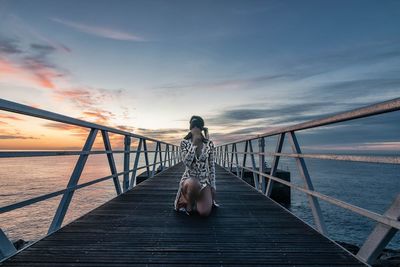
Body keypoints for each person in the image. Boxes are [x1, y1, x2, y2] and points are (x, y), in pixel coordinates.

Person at [174, 115, 218, 216]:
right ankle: (189, 204)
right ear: (190, 128)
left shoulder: (209, 144)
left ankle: (197, 201)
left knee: (204, 213)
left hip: (204, 181)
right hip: (189, 180)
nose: (195, 128)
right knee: (194, 184)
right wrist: (194, 144)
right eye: (193, 126)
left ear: (201, 128)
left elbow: (211, 166)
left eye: (197, 126)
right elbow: (187, 162)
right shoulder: (184, 143)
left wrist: (213, 186)